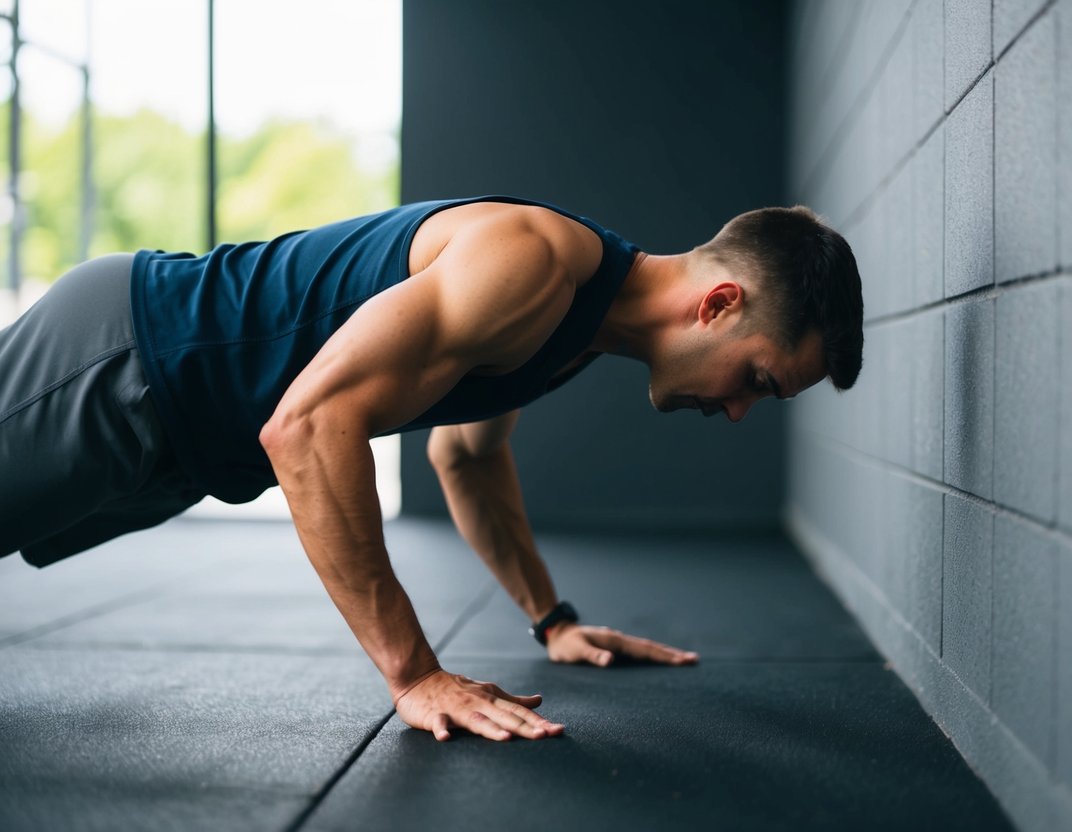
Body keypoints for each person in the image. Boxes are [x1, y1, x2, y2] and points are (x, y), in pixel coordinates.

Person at [0, 194, 864, 742]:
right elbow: (308, 426)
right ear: (718, 305)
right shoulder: (532, 265)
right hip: (131, 355)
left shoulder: (575, 327)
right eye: (756, 380)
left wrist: (551, 620)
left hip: (176, 434)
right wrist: (413, 672)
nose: (741, 410)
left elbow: (468, 457)